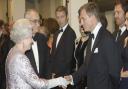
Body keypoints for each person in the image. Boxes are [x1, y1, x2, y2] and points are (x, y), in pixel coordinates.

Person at [64, 2, 121, 89]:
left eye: (83, 19)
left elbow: (115, 73)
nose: (81, 23)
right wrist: (72, 78)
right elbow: (87, 65)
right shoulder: (91, 37)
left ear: (93, 17)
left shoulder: (107, 38)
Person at [5, 18, 68, 89]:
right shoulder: (20, 58)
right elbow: (38, 84)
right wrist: (58, 81)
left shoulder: (12, 51)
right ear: (23, 38)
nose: (32, 40)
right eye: (30, 37)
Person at [49, 6, 76, 89]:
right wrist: (52, 72)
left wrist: (62, 78)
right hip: (55, 76)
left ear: (67, 17)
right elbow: (53, 55)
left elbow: (68, 59)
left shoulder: (71, 33)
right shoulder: (56, 33)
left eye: (62, 16)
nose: (60, 20)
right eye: (57, 17)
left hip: (64, 77)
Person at [24, 9, 50, 78]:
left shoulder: (42, 38)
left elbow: (47, 63)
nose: (38, 24)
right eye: (35, 21)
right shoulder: (20, 41)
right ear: (26, 22)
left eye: (39, 21)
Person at [119, 3, 128, 89]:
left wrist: (121, 74)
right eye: (125, 19)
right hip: (122, 81)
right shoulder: (126, 39)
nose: (125, 22)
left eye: (127, 19)